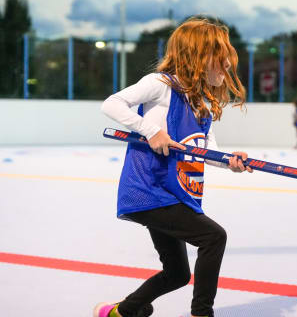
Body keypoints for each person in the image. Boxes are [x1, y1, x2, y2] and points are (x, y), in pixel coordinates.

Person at [95, 18, 252, 317]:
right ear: (198, 56)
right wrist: (149, 130)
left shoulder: (202, 102)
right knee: (213, 237)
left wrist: (230, 161)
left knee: (178, 273)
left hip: (174, 194)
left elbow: (206, 152)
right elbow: (112, 104)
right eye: (221, 61)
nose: (227, 68)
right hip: (150, 191)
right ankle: (201, 314)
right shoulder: (161, 85)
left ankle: (120, 312)